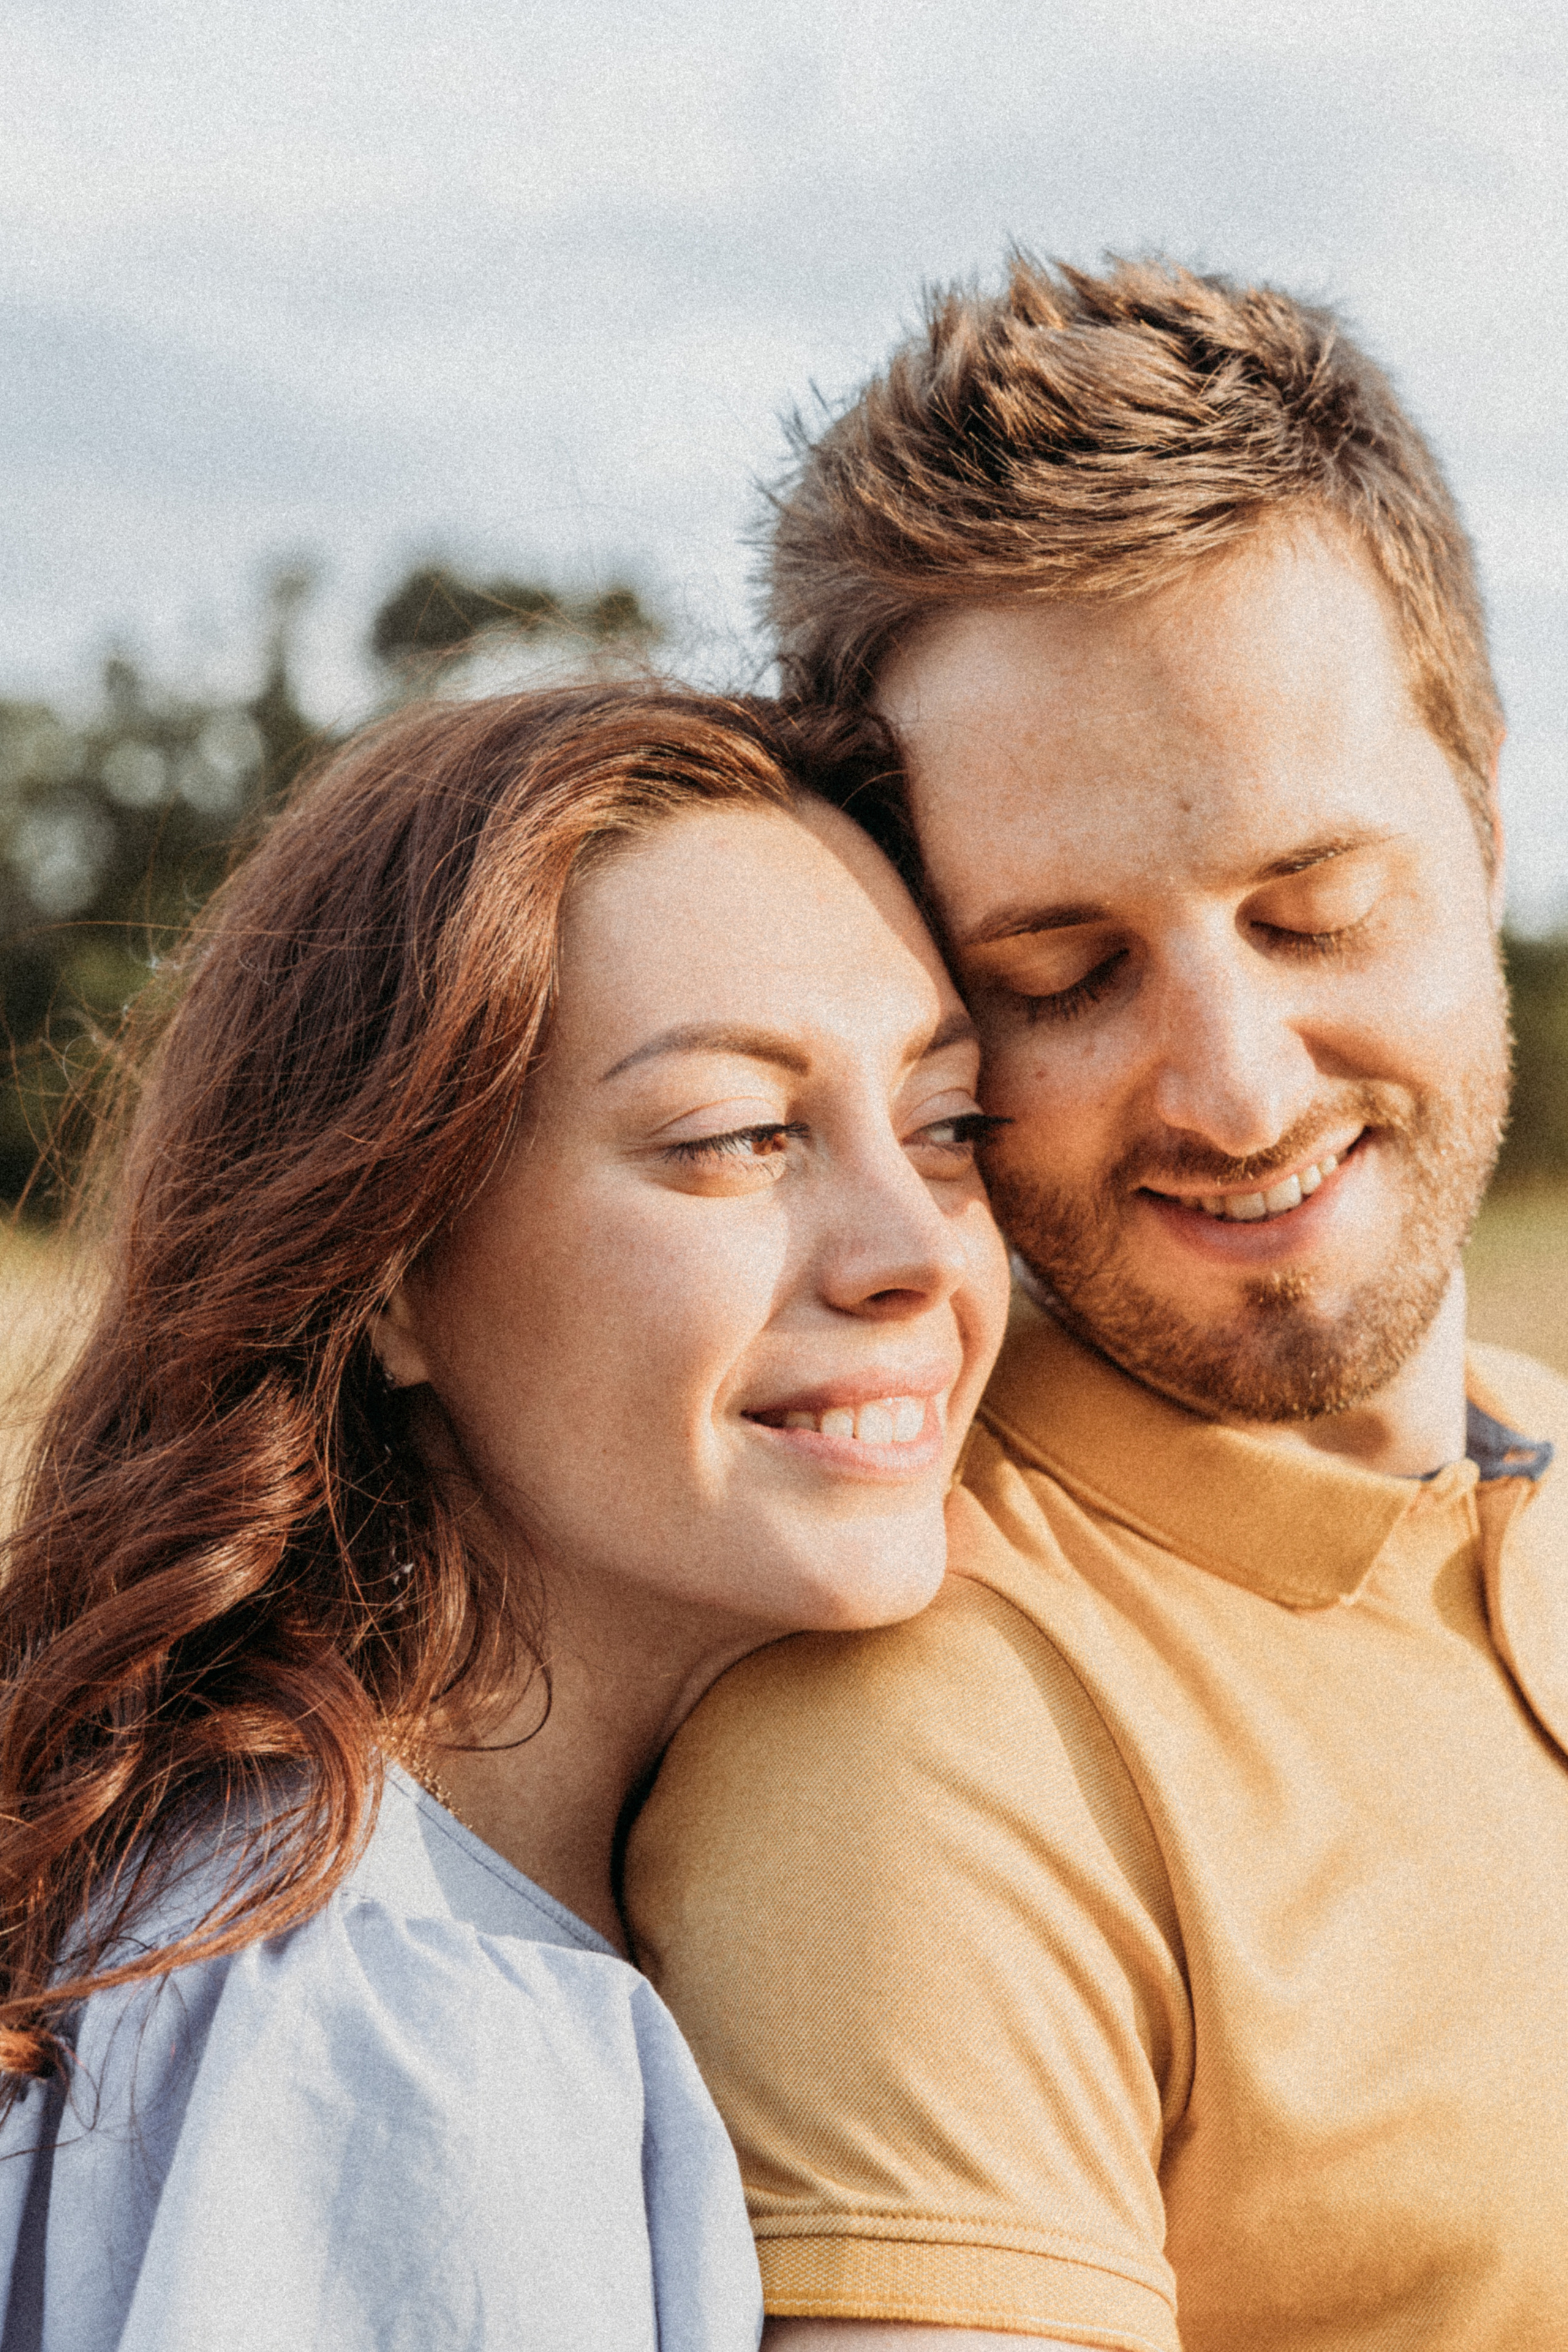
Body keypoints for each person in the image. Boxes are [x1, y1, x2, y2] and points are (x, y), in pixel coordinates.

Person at [624, 259, 1568, 2350]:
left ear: (1486, 817)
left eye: (1312, 910)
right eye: (1065, 976)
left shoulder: (1543, 1440)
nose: (1238, 1090)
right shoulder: (909, 1746)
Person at [0, 685, 1010, 2351]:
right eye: (736, 1137)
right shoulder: (419, 2042)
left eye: (949, 1124)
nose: (912, 1247)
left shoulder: (229, 1865)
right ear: (387, 1263)